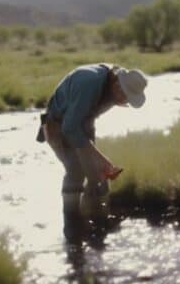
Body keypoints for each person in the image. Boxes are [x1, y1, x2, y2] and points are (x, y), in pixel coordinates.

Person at [37, 64, 147, 233]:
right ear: (117, 85)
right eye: (126, 97)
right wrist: (101, 158)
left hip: (82, 124)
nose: (125, 102)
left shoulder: (115, 84)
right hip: (57, 125)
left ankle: (95, 220)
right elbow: (70, 128)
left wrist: (97, 162)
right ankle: (72, 223)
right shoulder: (89, 82)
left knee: (97, 175)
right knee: (75, 172)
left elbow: (86, 121)